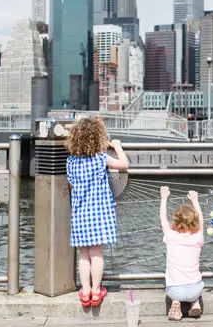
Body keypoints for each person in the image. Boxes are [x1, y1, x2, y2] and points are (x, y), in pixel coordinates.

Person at [66, 118, 129, 307]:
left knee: (84, 255)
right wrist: (117, 146)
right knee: (97, 255)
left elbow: (70, 186)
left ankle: (85, 292)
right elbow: (124, 164)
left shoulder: (71, 161)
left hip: (80, 214)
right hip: (99, 214)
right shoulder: (101, 158)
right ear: (98, 139)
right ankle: (96, 291)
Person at [159, 186, 205, 321]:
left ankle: (176, 302)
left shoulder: (170, 236)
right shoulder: (197, 237)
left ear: (174, 222)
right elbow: (201, 220)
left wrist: (164, 198)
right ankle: (195, 303)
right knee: (194, 286)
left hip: (174, 290)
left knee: (176, 289)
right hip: (195, 289)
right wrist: (195, 201)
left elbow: (162, 218)